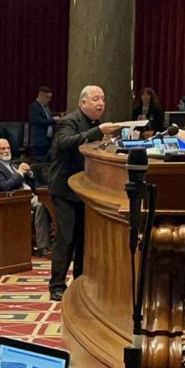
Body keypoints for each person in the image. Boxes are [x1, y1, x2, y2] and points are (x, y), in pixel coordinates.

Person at [48, 85, 120, 301]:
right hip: (64, 189)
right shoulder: (69, 121)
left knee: (84, 239)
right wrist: (97, 133)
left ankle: (80, 281)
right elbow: (65, 143)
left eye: (103, 99)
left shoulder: (96, 125)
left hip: (86, 190)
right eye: (96, 99)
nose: (101, 104)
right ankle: (57, 285)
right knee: (66, 238)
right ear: (83, 103)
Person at [0, 139, 52, 255]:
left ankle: (53, 244)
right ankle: (43, 246)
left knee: (52, 202)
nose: (7, 151)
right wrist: (19, 173)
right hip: (15, 200)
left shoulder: (13, 165)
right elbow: (5, 187)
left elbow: (29, 184)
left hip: (31, 196)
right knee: (43, 205)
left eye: (8, 148)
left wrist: (29, 174)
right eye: (3, 149)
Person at [29, 86, 56, 159]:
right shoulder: (34, 107)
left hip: (47, 140)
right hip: (38, 141)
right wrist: (53, 120)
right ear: (41, 96)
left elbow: (48, 118)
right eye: (48, 97)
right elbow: (38, 121)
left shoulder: (46, 107)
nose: (49, 100)